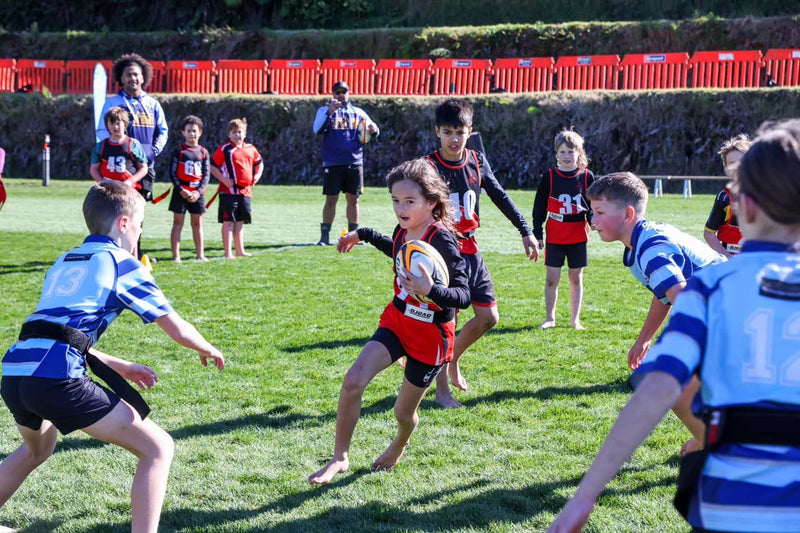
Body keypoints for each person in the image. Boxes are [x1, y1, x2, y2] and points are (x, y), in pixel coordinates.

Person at [548, 120, 800, 533]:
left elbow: (657, 388)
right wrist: (647, 337)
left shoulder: (710, 287)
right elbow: (665, 293)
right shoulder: (658, 251)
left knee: (685, 390)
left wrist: (584, 495)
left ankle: (708, 438)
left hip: (736, 502)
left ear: (743, 205)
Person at [0, 181, 224, 533]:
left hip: (15, 371)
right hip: (56, 377)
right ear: (123, 224)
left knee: (35, 450)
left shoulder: (65, 260)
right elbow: (175, 326)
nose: (139, 232)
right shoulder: (124, 263)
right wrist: (205, 347)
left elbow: (57, 330)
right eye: (140, 224)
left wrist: (118, 365)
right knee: (158, 448)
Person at [308, 159, 470, 485]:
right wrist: (364, 234)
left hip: (431, 335)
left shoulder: (443, 241)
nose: (400, 207)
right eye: (395, 200)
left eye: (409, 201)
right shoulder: (403, 230)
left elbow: (463, 295)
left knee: (403, 414)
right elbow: (395, 248)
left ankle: (401, 442)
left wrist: (432, 290)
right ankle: (340, 457)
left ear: (432, 202)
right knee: (354, 379)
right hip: (397, 320)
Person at [588, 172, 725, 456]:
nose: (592, 220)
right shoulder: (643, 240)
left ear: (627, 214)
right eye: (592, 211)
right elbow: (664, 294)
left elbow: (685, 300)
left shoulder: (650, 249)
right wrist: (644, 339)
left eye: (600, 212)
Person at [425, 98, 538, 408]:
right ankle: (442, 392)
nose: (453, 138)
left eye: (459, 132)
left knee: (488, 317)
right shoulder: (428, 166)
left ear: (469, 131)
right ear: (437, 132)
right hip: (442, 253)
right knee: (446, 322)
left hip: (471, 250)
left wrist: (525, 231)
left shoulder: (476, 160)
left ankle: (452, 360)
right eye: (447, 131)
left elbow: (499, 195)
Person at [96, 53, 168, 262]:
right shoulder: (113, 103)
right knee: (117, 211)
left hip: (145, 168)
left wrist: (153, 151)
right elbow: (101, 130)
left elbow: (163, 131)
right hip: (119, 167)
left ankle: (136, 253)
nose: (133, 78)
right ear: (121, 78)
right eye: (128, 75)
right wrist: (114, 149)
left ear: (143, 77)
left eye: (136, 74)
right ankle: (117, 252)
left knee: (138, 212)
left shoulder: (152, 104)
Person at [532, 130, 595, 330]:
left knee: (576, 278)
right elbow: (539, 207)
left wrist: (594, 220)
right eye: (563, 152)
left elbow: (592, 206)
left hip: (578, 234)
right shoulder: (549, 177)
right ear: (556, 154)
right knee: (552, 278)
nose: (567, 156)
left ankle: (575, 319)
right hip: (555, 235)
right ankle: (550, 318)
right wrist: (537, 233)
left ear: (579, 153)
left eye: (571, 152)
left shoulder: (586, 176)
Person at [312, 80, 379, 246]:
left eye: (344, 91)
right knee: (331, 199)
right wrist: (330, 111)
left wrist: (374, 129)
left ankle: (353, 236)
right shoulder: (324, 110)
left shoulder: (358, 112)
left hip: (354, 161)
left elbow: (373, 131)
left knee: (353, 199)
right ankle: (324, 237)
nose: (341, 94)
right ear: (333, 94)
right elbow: (317, 129)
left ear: (349, 93)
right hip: (333, 162)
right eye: (337, 92)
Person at [210, 118, 263, 259]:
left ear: (245, 133)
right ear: (229, 134)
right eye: (234, 132)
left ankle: (240, 250)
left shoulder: (250, 148)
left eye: (239, 132)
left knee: (240, 222)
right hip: (229, 192)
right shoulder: (225, 149)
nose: (237, 135)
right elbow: (212, 166)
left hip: (245, 191)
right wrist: (224, 180)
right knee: (228, 222)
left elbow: (259, 162)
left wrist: (256, 176)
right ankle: (228, 252)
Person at [168, 115, 210, 262]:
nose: (192, 134)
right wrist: (181, 190)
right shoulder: (178, 151)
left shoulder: (203, 152)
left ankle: (200, 254)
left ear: (200, 132)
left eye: (194, 131)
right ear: (183, 133)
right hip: (181, 192)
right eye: (189, 131)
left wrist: (198, 192)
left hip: (197, 193)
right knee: (178, 223)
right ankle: (176, 256)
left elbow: (206, 175)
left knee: (197, 223)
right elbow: (172, 173)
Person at [703, 134, 752, 257]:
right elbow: (708, 234)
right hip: (732, 258)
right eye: (732, 164)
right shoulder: (725, 198)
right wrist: (728, 258)